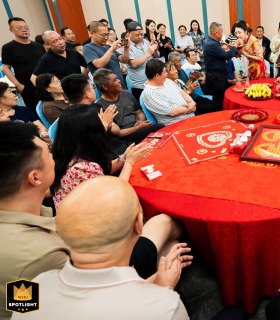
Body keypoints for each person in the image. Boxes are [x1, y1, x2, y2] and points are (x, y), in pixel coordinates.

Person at [12, 176, 191, 320]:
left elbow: (18, 313)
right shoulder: (165, 308)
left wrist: (153, 284)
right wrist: (164, 288)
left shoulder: (32, 285)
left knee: (172, 246)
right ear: (138, 224)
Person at [0, 122, 69, 320]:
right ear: (35, 177)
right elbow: (30, 310)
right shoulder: (39, 257)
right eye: (49, 154)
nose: (53, 157)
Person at [51, 104, 151, 208]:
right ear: (91, 132)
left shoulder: (68, 152)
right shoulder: (82, 167)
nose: (105, 127)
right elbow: (116, 193)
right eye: (101, 123)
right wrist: (129, 162)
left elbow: (103, 170)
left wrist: (124, 157)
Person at [94, 68, 164, 142]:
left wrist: (140, 120)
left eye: (117, 78)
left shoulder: (126, 93)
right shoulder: (100, 107)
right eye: (115, 80)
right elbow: (118, 133)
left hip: (140, 127)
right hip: (126, 136)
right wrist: (137, 128)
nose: (119, 81)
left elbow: (139, 112)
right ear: (105, 87)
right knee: (160, 127)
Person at [1, 17, 45, 112]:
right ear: (11, 30)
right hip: (26, 86)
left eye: (26, 27)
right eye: (19, 28)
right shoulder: (8, 47)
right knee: (35, 111)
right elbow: (6, 68)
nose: (24, 29)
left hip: (43, 84)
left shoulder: (38, 46)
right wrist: (19, 85)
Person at [142, 59, 196, 126]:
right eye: (165, 72)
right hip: (175, 125)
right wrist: (191, 108)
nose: (167, 74)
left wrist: (192, 103)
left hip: (191, 118)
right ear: (157, 76)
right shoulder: (149, 93)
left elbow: (182, 93)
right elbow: (172, 112)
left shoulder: (167, 81)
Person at [83, 21, 130, 90]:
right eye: (103, 35)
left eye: (107, 35)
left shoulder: (108, 46)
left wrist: (126, 47)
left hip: (120, 86)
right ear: (92, 33)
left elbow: (124, 60)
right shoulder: (88, 48)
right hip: (107, 90)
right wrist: (112, 49)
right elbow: (99, 64)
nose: (106, 38)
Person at [203, 22, 240, 105]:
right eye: (222, 32)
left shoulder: (211, 42)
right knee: (218, 101)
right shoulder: (211, 44)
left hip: (218, 76)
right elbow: (226, 56)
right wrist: (235, 46)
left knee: (221, 98)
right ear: (216, 33)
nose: (223, 34)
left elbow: (220, 55)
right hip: (216, 77)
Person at [121, 21, 159, 101]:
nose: (140, 37)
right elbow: (133, 64)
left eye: (142, 34)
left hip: (152, 82)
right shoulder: (126, 45)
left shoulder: (145, 41)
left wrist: (155, 49)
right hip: (139, 86)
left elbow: (156, 56)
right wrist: (148, 53)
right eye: (137, 35)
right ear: (128, 34)